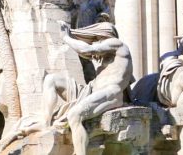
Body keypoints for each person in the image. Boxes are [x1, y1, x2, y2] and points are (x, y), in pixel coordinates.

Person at [30, 17, 133, 155]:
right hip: (90, 91)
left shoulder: (116, 44)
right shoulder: (105, 56)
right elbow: (86, 52)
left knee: (74, 115)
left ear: (104, 35)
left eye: (96, 38)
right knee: (51, 80)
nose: (95, 42)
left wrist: (66, 37)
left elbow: (86, 50)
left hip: (111, 93)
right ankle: (46, 121)